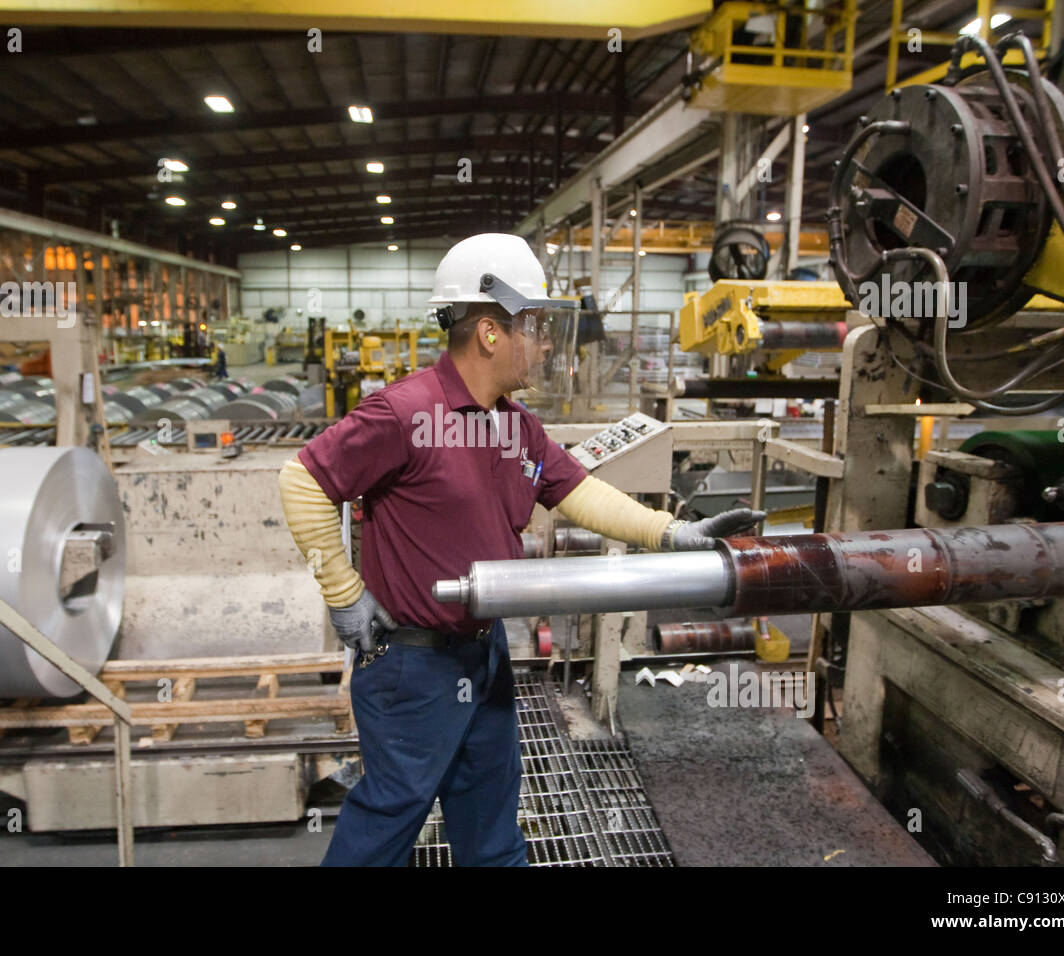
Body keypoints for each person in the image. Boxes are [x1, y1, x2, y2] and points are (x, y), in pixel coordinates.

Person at [278, 233, 762, 866]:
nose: (544, 344)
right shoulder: (404, 414)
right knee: (385, 829)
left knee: (493, 829)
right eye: (534, 326)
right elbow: (302, 480)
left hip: (483, 655)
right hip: (411, 667)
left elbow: (579, 491)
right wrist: (343, 592)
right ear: (488, 332)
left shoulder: (515, 424)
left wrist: (671, 532)